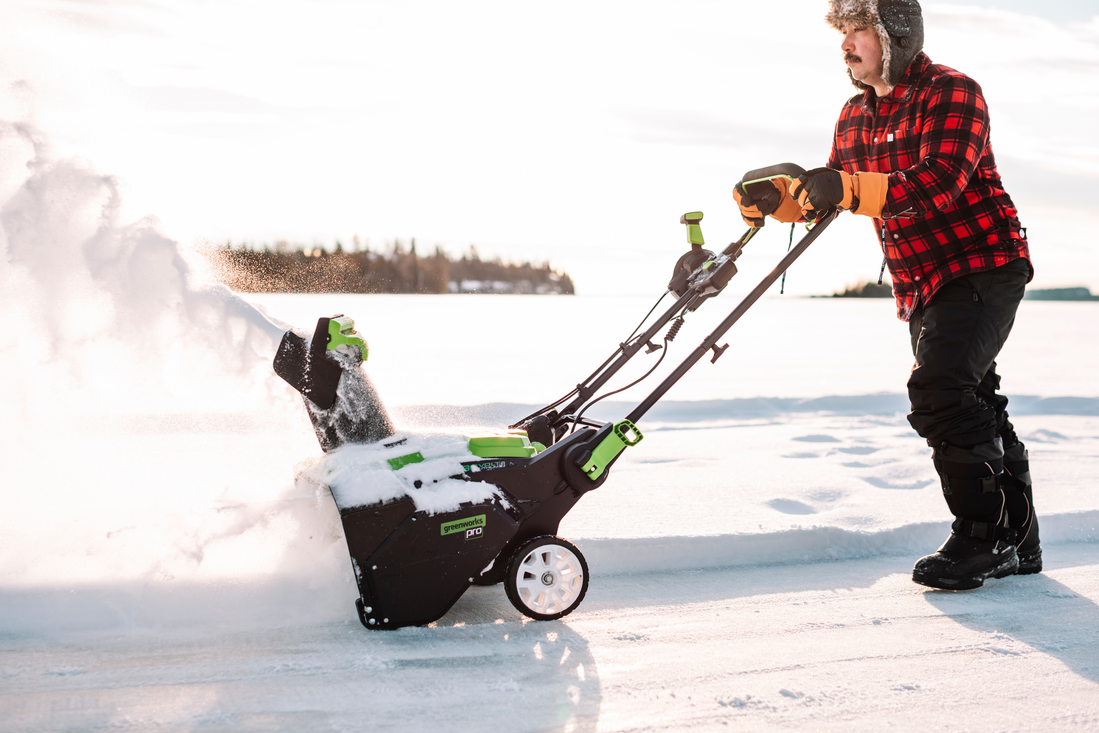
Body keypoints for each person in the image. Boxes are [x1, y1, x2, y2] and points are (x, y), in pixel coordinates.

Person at [733, 0, 1039, 590]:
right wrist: (774, 200)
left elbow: (942, 180)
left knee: (940, 392)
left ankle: (982, 537)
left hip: (981, 261)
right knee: (973, 396)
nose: (847, 46)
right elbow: (835, 192)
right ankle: (1019, 542)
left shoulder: (953, 92)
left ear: (895, 36)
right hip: (919, 275)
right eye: (842, 34)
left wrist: (846, 186)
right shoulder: (854, 115)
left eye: (859, 32)